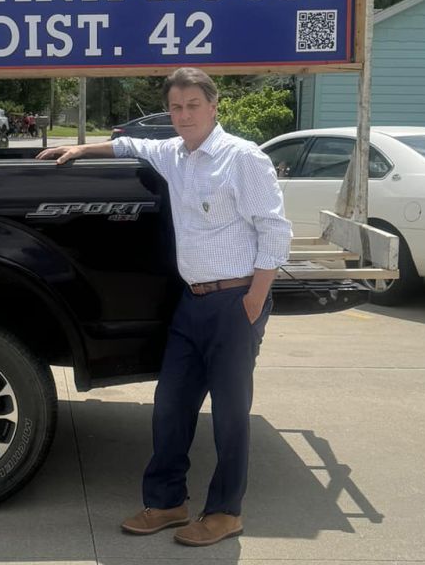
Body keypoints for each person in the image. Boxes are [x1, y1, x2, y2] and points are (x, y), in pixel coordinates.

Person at [36, 67, 291, 547]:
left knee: (231, 414)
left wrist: (255, 299)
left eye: (193, 105)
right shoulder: (174, 153)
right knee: (170, 407)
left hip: (236, 301)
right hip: (191, 304)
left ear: (214, 107)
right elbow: (130, 145)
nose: (184, 115)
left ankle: (224, 512)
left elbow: (275, 230)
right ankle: (168, 502)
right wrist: (80, 149)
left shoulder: (243, 158)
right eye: (176, 107)